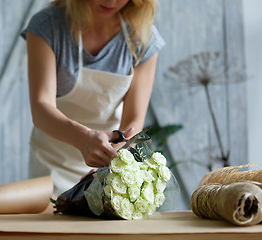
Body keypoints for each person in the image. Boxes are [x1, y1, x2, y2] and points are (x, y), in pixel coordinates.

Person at [23, 0, 165, 196]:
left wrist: (105, 169)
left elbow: (133, 121)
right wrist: (83, 139)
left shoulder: (144, 38)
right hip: (50, 167)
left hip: (105, 170)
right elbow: (41, 109)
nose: (111, 1)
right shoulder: (48, 26)